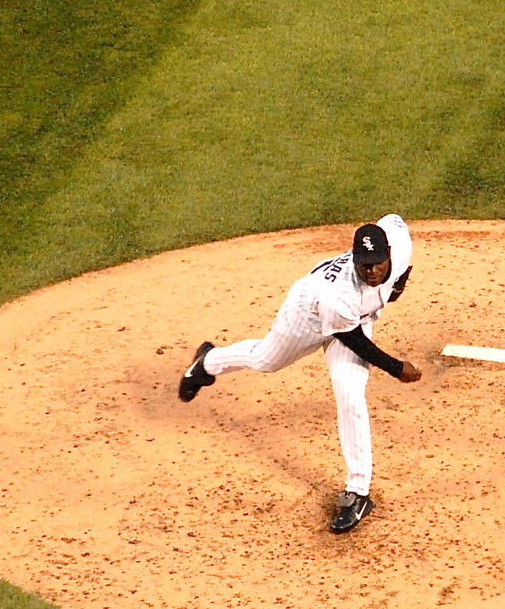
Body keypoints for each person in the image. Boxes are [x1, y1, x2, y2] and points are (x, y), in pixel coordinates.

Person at [178, 215, 421, 533]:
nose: (372, 271)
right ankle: (208, 362)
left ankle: (358, 492)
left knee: (350, 398)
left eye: (377, 263)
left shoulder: (399, 244)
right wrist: (396, 367)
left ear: (389, 252)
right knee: (266, 359)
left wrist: (398, 281)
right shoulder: (339, 294)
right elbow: (353, 340)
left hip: (354, 319)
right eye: (364, 266)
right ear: (354, 261)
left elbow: (394, 221)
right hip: (307, 316)